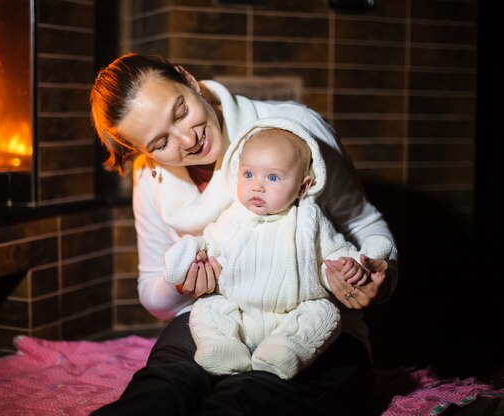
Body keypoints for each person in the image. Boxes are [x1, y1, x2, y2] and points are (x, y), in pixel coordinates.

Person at [90, 52, 398, 415]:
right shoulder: (150, 178)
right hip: (216, 319)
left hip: (307, 324)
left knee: (244, 399)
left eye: (181, 112)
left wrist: (378, 271)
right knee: (162, 386)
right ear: (143, 152)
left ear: (189, 80)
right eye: (160, 143)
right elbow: (152, 290)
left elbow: (364, 226)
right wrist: (181, 286)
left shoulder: (292, 130)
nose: (187, 139)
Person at [162, 118, 394, 381]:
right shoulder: (235, 216)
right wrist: (187, 255)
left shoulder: (310, 219)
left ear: (303, 187)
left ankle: (285, 352)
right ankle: (221, 347)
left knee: (324, 313)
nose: (257, 186)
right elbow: (208, 244)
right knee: (207, 307)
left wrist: (353, 265)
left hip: (292, 315)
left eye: (273, 177)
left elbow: (334, 253)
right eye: (248, 174)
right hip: (238, 311)